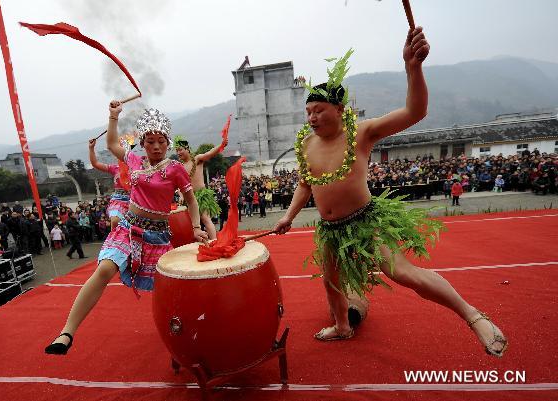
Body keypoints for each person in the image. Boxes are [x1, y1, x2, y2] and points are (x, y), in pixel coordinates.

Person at [273, 28, 507, 358]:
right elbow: (305, 184)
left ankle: (473, 315)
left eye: (319, 110)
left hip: (366, 220)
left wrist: (413, 69)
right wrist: (288, 216)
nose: (311, 117)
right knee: (331, 279)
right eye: (308, 112)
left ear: (340, 110)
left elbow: (415, 112)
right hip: (329, 229)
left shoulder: (362, 133)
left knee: (401, 272)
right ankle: (342, 326)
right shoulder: (307, 144)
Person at [45, 103, 208, 355]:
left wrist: (196, 228)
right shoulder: (132, 159)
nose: (156, 146)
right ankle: (67, 332)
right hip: (129, 227)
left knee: (170, 289)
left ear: (168, 143)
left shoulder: (174, 169)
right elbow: (111, 144)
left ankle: (190, 329)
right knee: (104, 270)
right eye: (151, 141)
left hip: (157, 237)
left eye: (161, 141)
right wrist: (113, 116)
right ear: (142, 143)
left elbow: (191, 201)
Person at [174, 132, 228, 240]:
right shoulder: (179, 166)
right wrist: (181, 195)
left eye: (180, 149)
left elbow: (210, 153)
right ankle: (202, 242)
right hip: (189, 198)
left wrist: (221, 145)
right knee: (192, 224)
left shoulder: (197, 159)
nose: (178, 152)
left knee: (205, 218)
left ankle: (214, 242)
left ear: (187, 148)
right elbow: (179, 185)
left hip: (201, 195)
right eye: (176, 150)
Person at [88, 137, 131, 230]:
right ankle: (113, 240)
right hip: (119, 200)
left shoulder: (137, 166)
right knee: (115, 221)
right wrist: (91, 148)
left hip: (135, 200)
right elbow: (95, 163)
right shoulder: (115, 168)